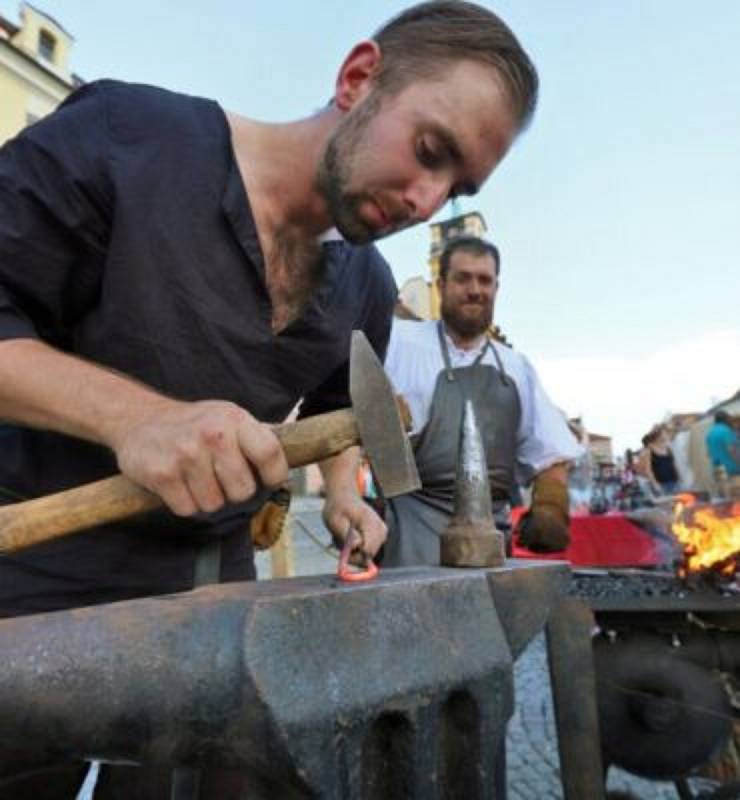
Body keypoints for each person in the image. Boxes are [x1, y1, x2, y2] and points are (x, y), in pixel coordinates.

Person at [0, 1, 539, 622]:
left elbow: (342, 409)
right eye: (427, 150)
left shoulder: (366, 284)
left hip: (218, 593)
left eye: (456, 190)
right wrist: (135, 419)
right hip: (32, 571)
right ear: (358, 78)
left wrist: (342, 495)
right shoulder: (127, 138)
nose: (426, 201)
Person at [381, 235, 581, 566]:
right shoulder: (398, 344)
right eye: (463, 278)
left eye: (485, 280)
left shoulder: (516, 367)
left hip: (490, 544)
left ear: (496, 288)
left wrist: (550, 507)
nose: (475, 290)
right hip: (411, 533)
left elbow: (551, 455)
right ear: (441, 285)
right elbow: (345, 410)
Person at [705, 410, 740, 498]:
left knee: (726, 494)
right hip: (732, 468)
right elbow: (732, 450)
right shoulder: (726, 431)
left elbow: (709, 453)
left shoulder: (710, 433)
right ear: (725, 419)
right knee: (736, 494)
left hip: (717, 467)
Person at [640, 424, 681, 496]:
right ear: (657, 436)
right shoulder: (649, 451)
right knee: (667, 506)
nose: (665, 436)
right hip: (661, 484)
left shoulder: (668, 449)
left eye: (666, 434)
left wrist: (679, 477)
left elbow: (674, 464)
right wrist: (655, 484)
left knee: (678, 505)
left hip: (674, 482)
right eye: (663, 434)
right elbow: (648, 470)